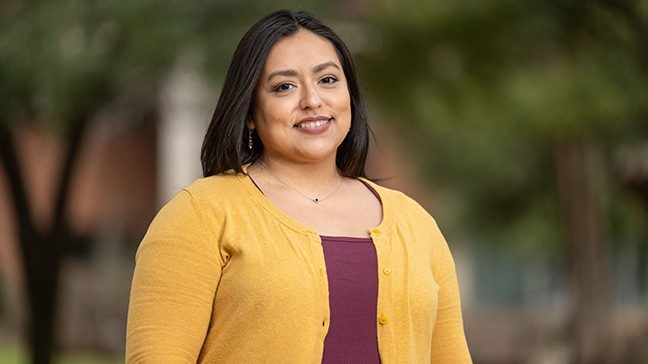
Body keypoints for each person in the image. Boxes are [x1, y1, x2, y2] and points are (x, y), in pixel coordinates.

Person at [125, 9, 471, 363]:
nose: (312, 100)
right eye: (283, 87)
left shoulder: (415, 225)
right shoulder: (201, 215)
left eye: (328, 80)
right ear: (248, 112)